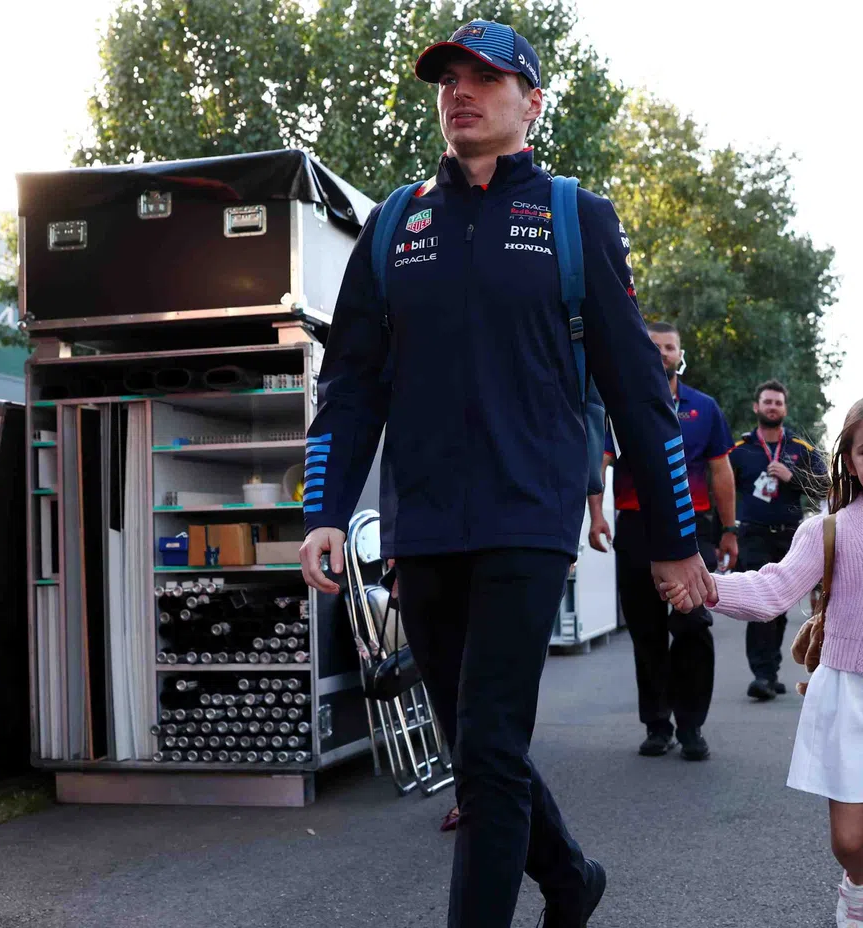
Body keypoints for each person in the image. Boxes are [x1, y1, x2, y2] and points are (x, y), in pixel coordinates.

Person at [297, 21, 715, 928]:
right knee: (478, 746)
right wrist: (325, 508)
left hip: (529, 517)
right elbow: (351, 382)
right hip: (424, 521)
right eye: (449, 77)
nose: (461, 91)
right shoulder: (395, 225)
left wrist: (677, 542)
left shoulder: (575, 216)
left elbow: (639, 391)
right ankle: (569, 879)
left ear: (531, 100)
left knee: (485, 749)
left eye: (486, 77)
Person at [659, 392, 863, 928]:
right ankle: (859, 880)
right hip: (846, 694)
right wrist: (706, 585)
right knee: (849, 840)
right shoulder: (827, 531)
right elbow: (773, 590)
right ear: (849, 461)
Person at [588, 321, 737, 760]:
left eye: (669, 347)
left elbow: (721, 471)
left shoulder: (704, 408)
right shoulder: (621, 406)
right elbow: (600, 462)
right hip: (635, 526)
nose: (661, 354)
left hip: (694, 525)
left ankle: (691, 726)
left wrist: (729, 530)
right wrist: (597, 514)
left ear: (680, 355)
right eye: (653, 346)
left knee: (693, 624)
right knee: (645, 629)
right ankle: (657, 725)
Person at [726, 379, 826, 700]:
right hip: (752, 535)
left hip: (790, 538)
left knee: (779, 606)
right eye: (767, 402)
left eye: (778, 402)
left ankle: (771, 669)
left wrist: (792, 477)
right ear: (757, 407)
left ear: (785, 409)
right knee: (760, 603)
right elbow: (721, 491)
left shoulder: (800, 449)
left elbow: (825, 486)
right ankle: (762, 674)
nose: (772, 407)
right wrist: (723, 535)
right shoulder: (739, 451)